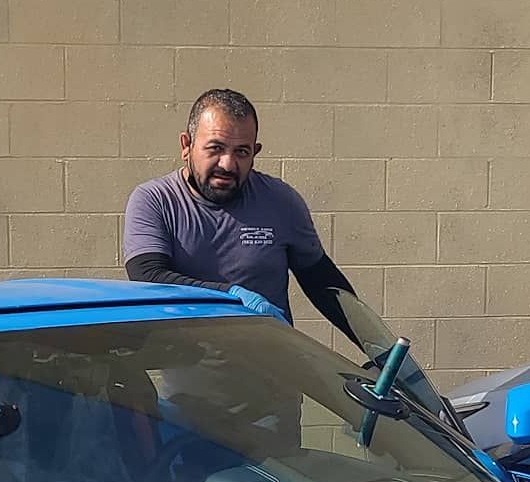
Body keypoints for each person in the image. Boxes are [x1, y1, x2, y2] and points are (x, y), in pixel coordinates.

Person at [122, 89, 358, 334]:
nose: (227, 164)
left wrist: (381, 349)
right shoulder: (155, 200)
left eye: (241, 152)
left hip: (272, 364)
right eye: (215, 148)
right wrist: (231, 296)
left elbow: (324, 285)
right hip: (188, 365)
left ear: (255, 153)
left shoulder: (280, 202)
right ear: (186, 146)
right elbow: (149, 277)